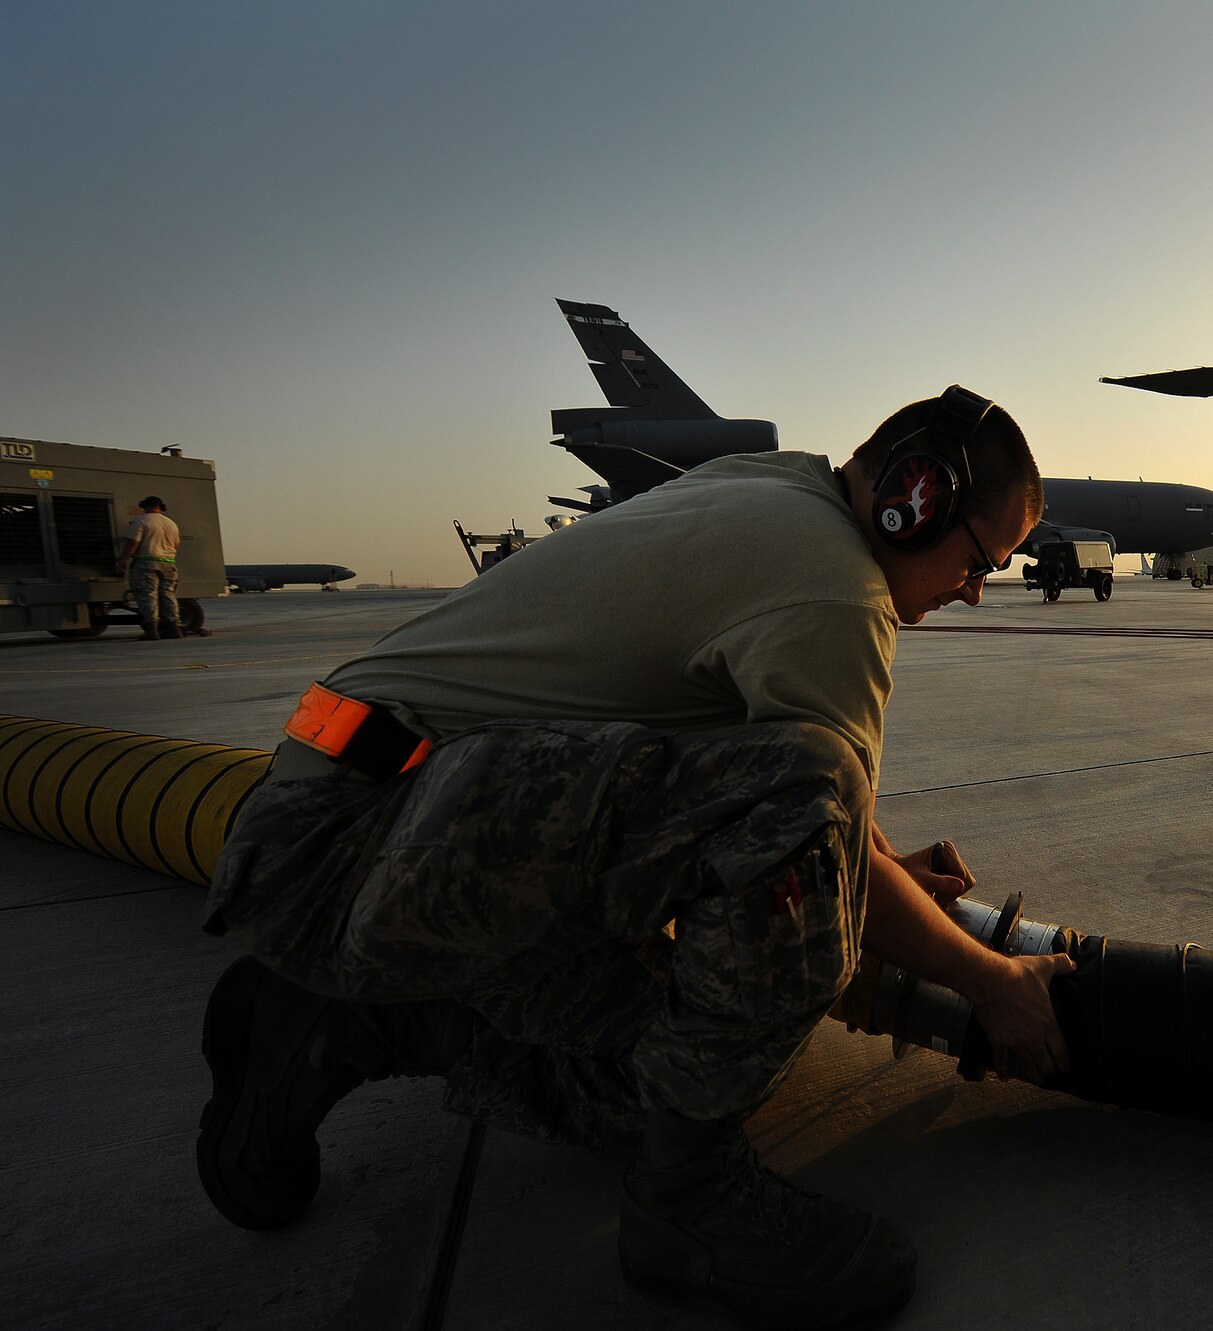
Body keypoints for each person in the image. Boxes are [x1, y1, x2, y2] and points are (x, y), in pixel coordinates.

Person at [195, 388, 1071, 1330]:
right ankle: (686, 1208)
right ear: (918, 498)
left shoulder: (773, 490)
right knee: (785, 885)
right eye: (981, 561)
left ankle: (339, 1021)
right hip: (354, 845)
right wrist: (989, 979)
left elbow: (783, 770)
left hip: (339, 831)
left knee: (654, 1080)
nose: (977, 589)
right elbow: (811, 795)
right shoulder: (835, 588)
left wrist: (873, 862)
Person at [118, 495, 181, 639]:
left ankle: (152, 629)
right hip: (169, 563)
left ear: (145, 507)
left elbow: (133, 542)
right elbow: (176, 545)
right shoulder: (171, 523)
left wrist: (123, 560)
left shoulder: (141, 520)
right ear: (161, 507)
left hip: (146, 562)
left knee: (148, 595)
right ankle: (173, 627)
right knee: (168, 594)